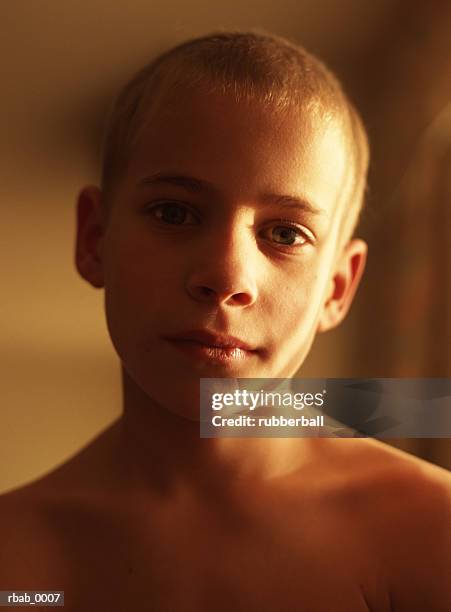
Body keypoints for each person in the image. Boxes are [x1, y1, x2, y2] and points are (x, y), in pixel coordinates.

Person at [1, 30, 451, 612]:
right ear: (94, 239)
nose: (225, 276)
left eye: (285, 234)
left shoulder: (427, 535)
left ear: (338, 287)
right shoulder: (17, 566)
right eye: (174, 212)